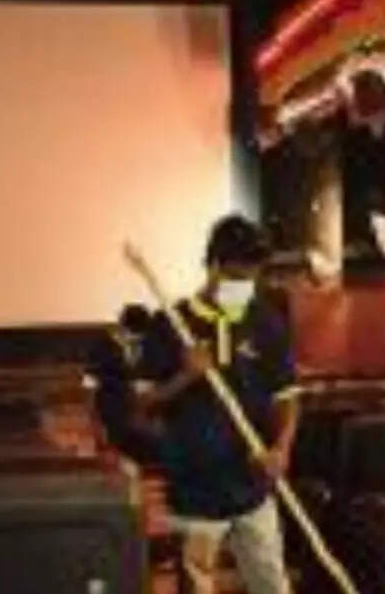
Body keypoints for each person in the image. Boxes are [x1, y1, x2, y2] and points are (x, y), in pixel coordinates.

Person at [138, 214, 300, 594]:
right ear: (212, 266)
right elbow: (142, 403)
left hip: (253, 488)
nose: (245, 288)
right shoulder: (169, 324)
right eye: (236, 278)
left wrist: (282, 448)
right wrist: (185, 376)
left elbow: (287, 395)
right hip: (195, 494)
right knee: (198, 586)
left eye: (252, 278)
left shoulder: (266, 321)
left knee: (272, 584)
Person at [84, 303, 161, 466]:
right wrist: (94, 421)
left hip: (141, 412)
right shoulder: (102, 346)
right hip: (113, 410)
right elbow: (90, 384)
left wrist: (145, 412)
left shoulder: (150, 345)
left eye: (139, 337)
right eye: (131, 335)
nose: (135, 339)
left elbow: (148, 382)